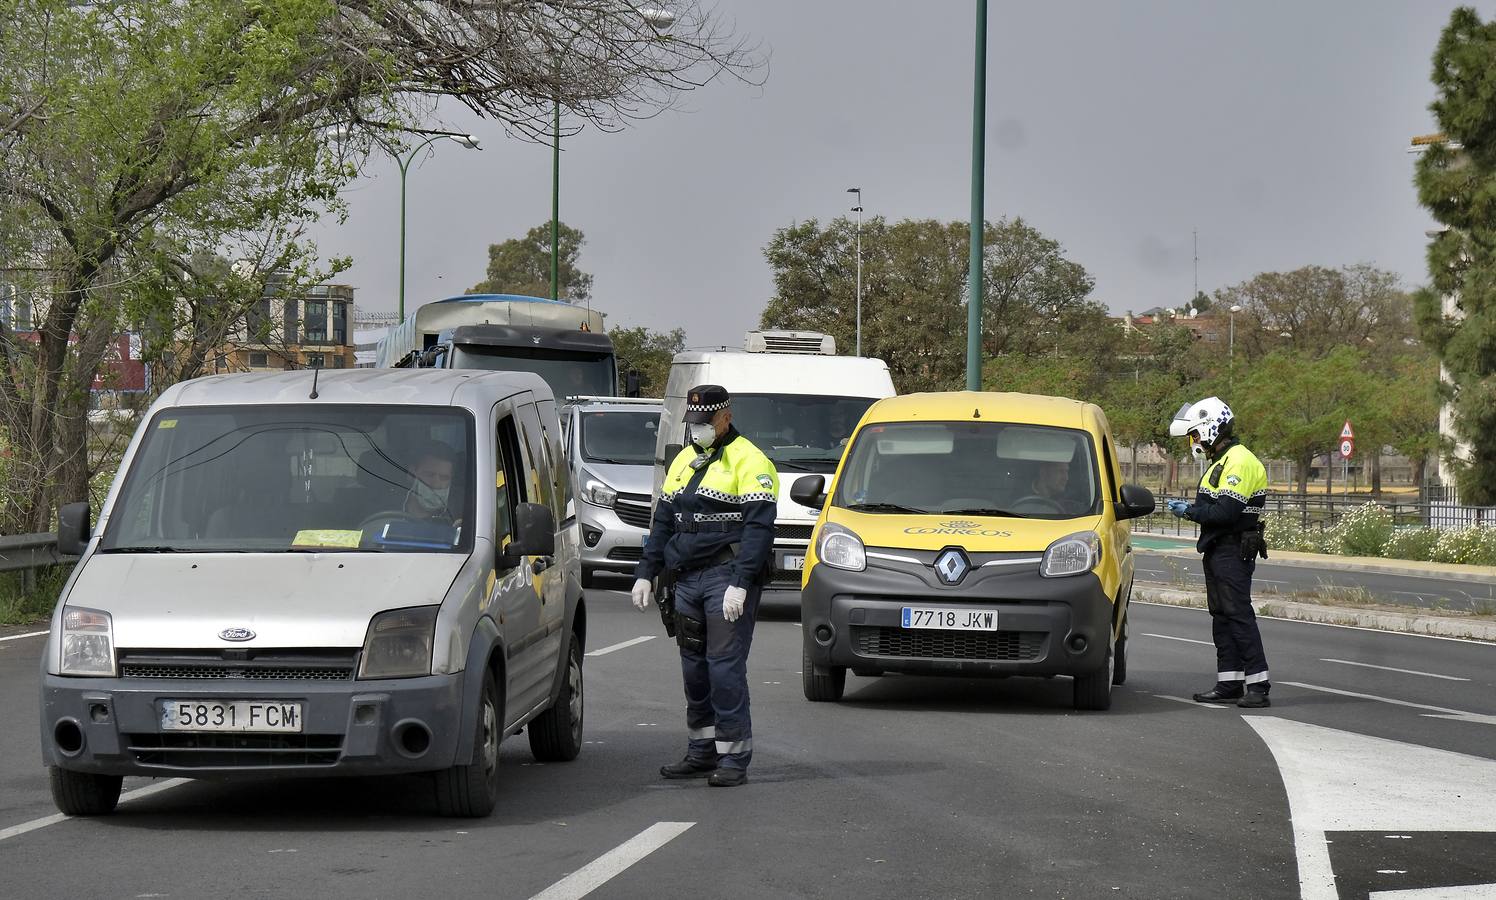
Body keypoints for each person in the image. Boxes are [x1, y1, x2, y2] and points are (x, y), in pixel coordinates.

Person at [631, 385, 779, 787]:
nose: (697, 430)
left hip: (724, 576)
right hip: (686, 579)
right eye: (693, 424)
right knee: (694, 670)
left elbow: (759, 529)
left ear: (725, 418)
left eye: (704, 423)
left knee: (724, 669)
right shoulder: (685, 460)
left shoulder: (749, 460)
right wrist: (646, 571)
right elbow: (663, 521)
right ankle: (702, 751)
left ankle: (733, 759)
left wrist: (741, 583)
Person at [1166, 397, 1272, 708]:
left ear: (1211, 428)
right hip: (1219, 548)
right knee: (1222, 616)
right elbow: (1214, 507)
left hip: (1233, 547)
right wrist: (1195, 510)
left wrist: (1189, 512)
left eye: (1194, 435)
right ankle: (1229, 682)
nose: (1193, 442)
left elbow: (1226, 512)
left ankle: (1258, 686)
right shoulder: (1223, 461)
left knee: (1238, 615)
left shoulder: (1238, 461)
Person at [405, 443, 456, 520]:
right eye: (429, 475)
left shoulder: (463, 515)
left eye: (444, 478)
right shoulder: (388, 504)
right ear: (412, 473)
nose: (436, 484)